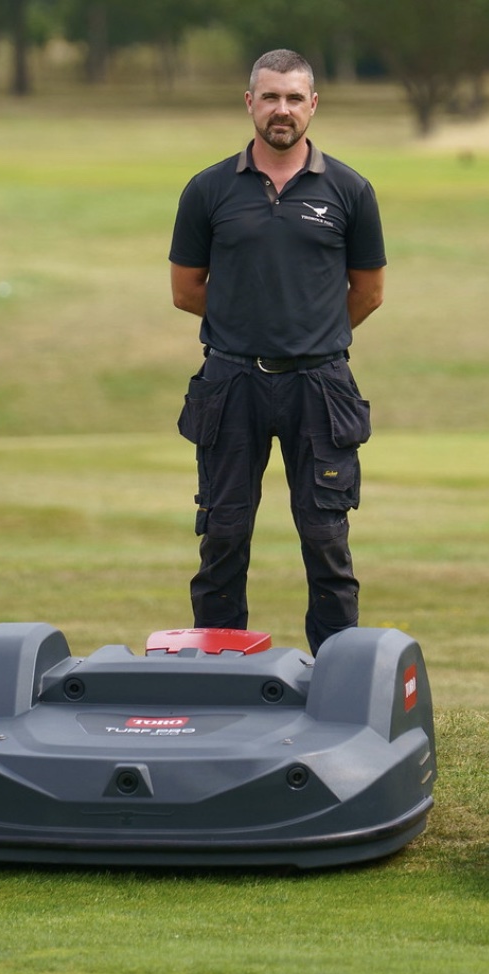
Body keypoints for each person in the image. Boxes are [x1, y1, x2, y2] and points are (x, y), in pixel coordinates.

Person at [168, 49, 386, 652]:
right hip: (230, 382)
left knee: (325, 537)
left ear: (313, 104)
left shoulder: (349, 190)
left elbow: (367, 293)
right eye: (270, 97)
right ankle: (221, 671)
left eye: (294, 98)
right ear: (250, 103)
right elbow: (187, 290)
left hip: (319, 386)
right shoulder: (208, 190)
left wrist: (310, 332)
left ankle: (339, 676)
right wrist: (253, 324)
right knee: (223, 533)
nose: (281, 110)